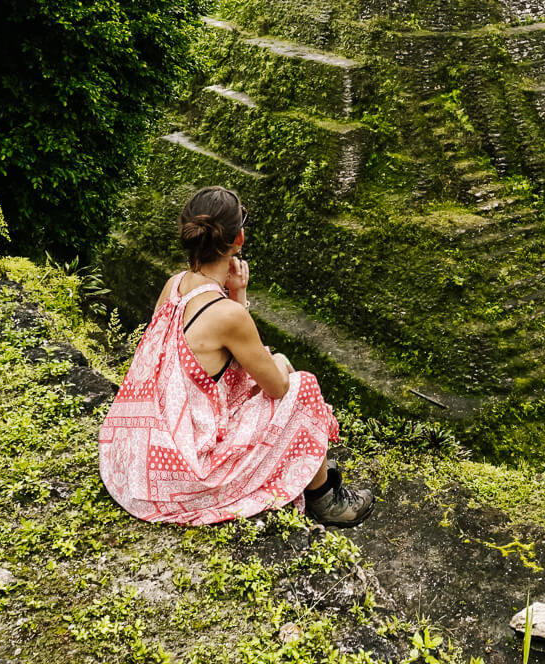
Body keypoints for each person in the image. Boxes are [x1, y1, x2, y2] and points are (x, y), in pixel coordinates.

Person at [99, 185, 374, 527]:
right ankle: (325, 500)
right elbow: (275, 388)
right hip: (185, 476)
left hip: (137, 460)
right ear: (238, 239)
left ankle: (311, 472)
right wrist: (239, 303)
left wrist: (236, 294)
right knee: (301, 385)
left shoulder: (173, 286)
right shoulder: (228, 314)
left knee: (280, 364)